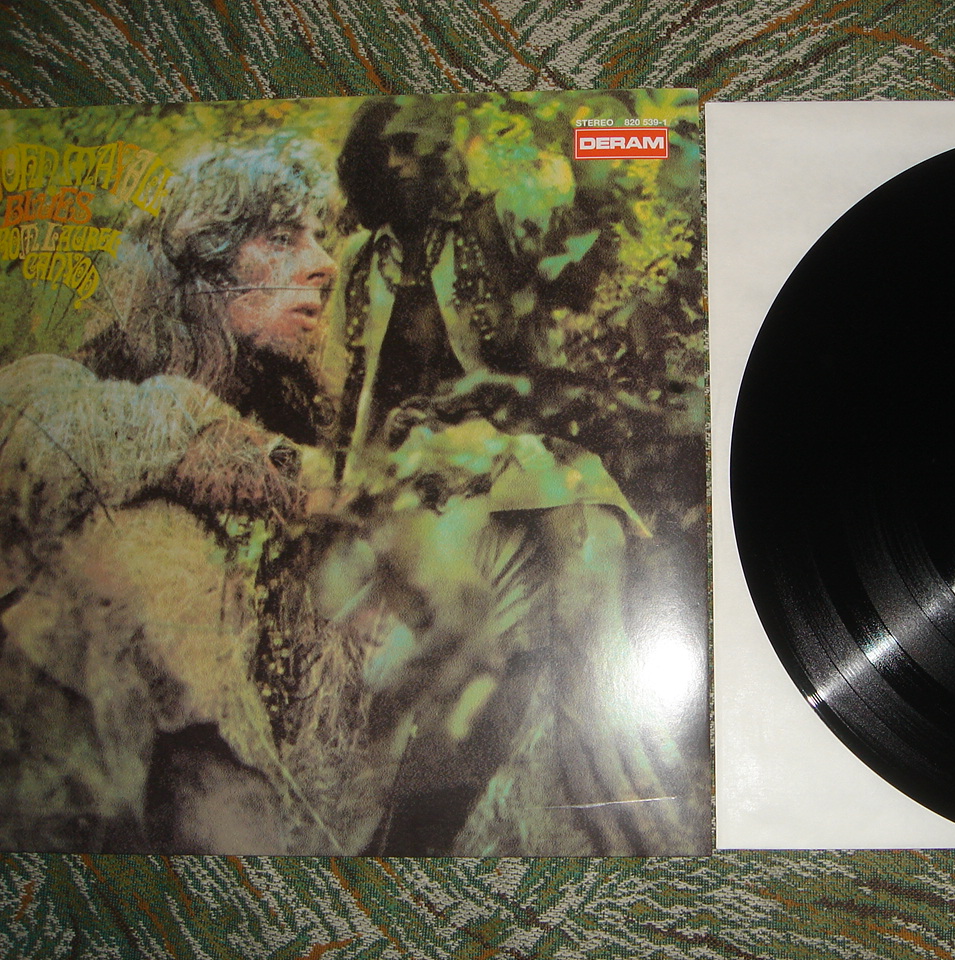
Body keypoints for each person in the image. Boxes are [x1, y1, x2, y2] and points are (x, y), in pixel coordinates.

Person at [325, 96, 706, 855]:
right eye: (388, 151)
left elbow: (599, 172)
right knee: (537, 550)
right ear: (369, 166)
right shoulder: (359, 265)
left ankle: (600, 730)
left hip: (498, 442)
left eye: (416, 147)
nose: (403, 163)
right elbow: (349, 393)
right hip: (408, 464)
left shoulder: (490, 226)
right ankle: (579, 752)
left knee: (584, 519)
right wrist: (348, 487)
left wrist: (644, 135)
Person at [0, 145, 345, 852]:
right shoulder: (67, 392)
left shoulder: (306, 413)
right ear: (202, 271)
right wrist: (296, 478)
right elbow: (65, 431)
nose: (323, 264)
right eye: (282, 239)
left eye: (319, 238)